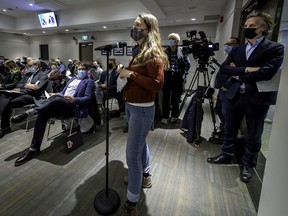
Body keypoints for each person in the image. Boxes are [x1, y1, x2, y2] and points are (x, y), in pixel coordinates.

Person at [207, 12, 284, 183]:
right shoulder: (238, 49)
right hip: (235, 94)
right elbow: (225, 69)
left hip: (257, 98)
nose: (248, 28)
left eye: (252, 26)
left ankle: (248, 164)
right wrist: (248, 70)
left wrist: (238, 72)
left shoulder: (275, 48)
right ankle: (227, 154)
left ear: (263, 28)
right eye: (246, 26)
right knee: (230, 127)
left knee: (254, 133)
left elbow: (267, 72)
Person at [116, 12, 168, 215]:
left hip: (142, 110)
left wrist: (131, 74)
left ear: (149, 30)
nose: (134, 29)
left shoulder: (153, 53)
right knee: (140, 144)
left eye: (137, 26)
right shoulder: (139, 51)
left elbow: (157, 84)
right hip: (132, 106)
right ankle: (146, 174)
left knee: (132, 156)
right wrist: (125, 71)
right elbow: (136, 76)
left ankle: (131, 202)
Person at [11, 63, 95, 166]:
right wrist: (55, 94)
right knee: (43, 113)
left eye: (83, 69)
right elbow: (63, 92)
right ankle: (34, 148)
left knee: (57, 101)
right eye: (79, 69)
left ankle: (30, 112)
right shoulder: (72, 79)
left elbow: (88, 98)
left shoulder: (89, 82)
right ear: (76, 70)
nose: (81, 70)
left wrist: (74, 99)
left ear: (87, 71)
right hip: (60, 104)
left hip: (72, 106)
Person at [0, 59, 48, 138]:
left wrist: (27, 86)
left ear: (37, 65)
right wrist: (28, 85)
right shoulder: (28, 74)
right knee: (4, 95)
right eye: (28, 66)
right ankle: (5, 127)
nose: (29, 67)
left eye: (31, 66)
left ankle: (4, 127)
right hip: (21, 92)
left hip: (33, 95)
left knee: (7, 102)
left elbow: (38, 88)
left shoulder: (43, 75)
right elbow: (18, 84)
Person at [209, 37, 240, 144]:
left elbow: (236, 74)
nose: (227, 46)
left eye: (230, 44)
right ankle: (223, 130)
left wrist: (226, 85)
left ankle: (226, 138)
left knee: (226, 114)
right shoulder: (230, 57)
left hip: (229, 90)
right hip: (223, 90)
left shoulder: (239, 58)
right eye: (226, 44)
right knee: (218, 110)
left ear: (237, 45)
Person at [161, 33, 191, 124]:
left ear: (177, 41)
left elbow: (187, 64)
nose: (171, 40)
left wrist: (184, 75)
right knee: (165, 97)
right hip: (167, 76)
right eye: (170, 38)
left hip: (178, 77)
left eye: (173, 39)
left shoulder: (182, 51)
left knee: (176, 97)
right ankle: (165, 116)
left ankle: (174, 116)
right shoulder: (165, 51)